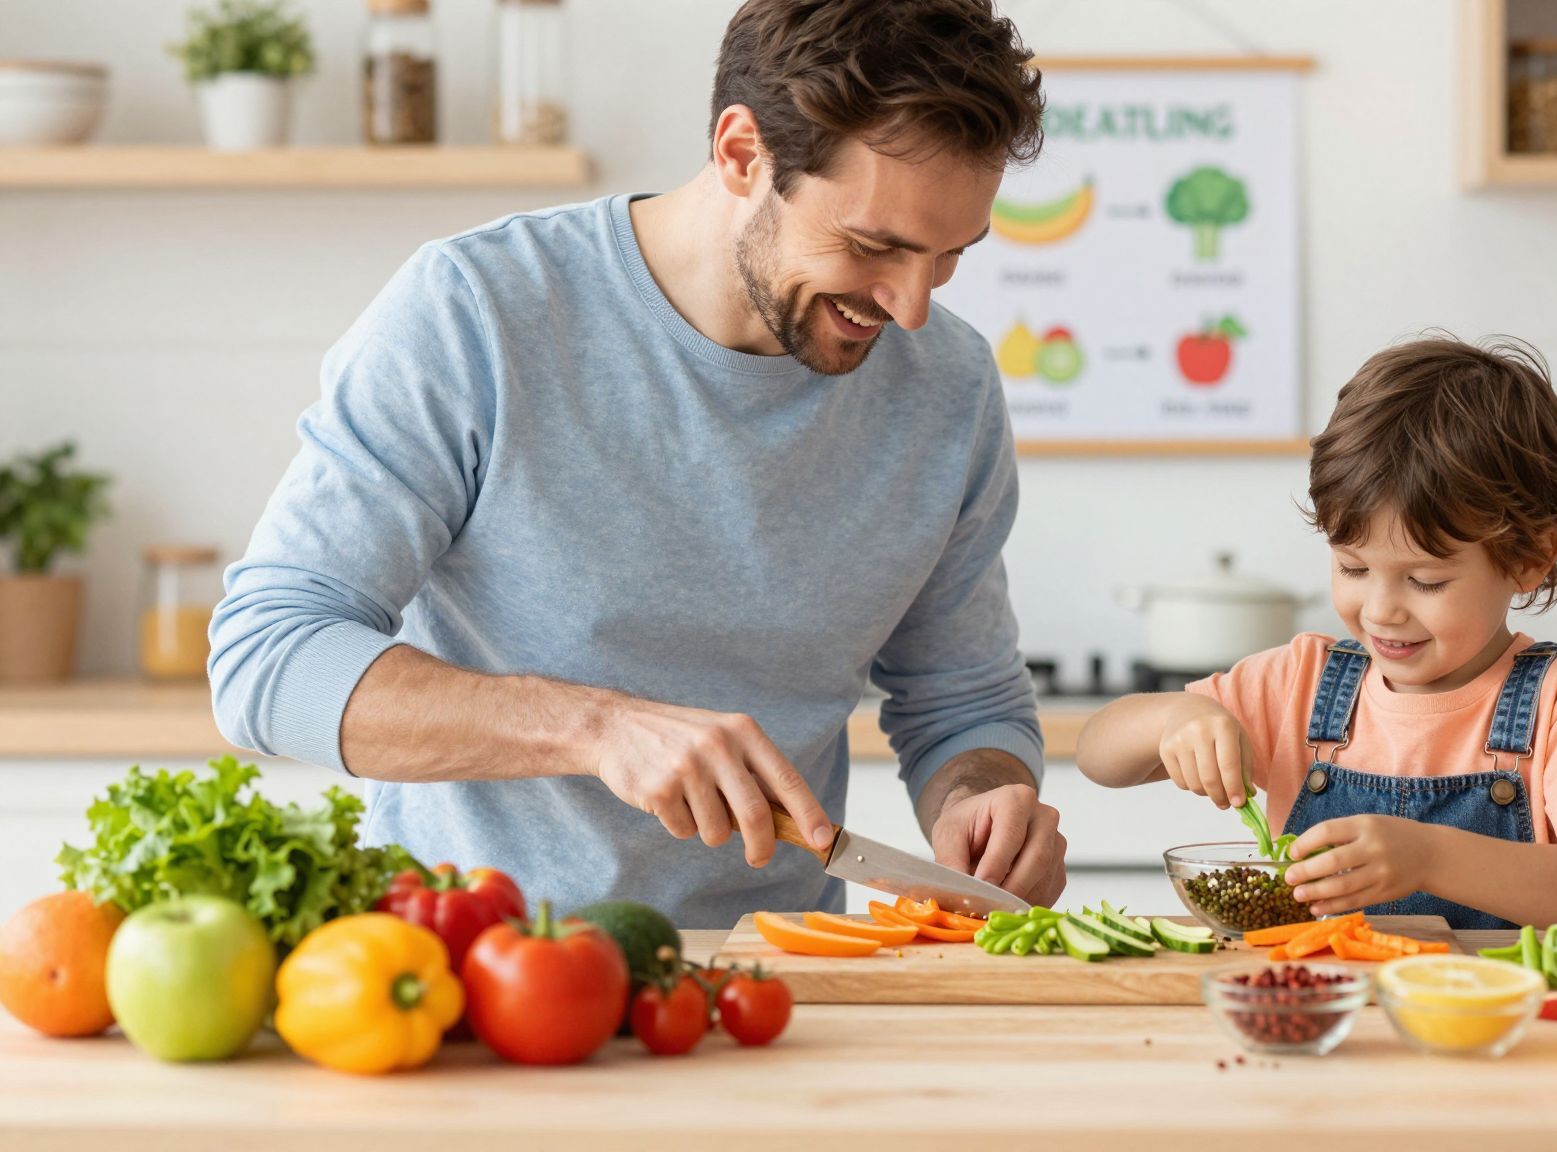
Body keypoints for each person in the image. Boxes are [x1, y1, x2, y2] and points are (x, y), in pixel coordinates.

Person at [209, 0, 1068, 930]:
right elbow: (269, 659)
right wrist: (595, 728)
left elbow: (961, 699)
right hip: (469, 961)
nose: (910, 307)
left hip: (771, 975)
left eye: (949, 257)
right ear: (742, 153)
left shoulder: (948, 385)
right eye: (873, 246)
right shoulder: (479, 312)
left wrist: (982, 795)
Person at [1076, 336, 1557, 930]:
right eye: (1353, 569)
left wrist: (1432, 857)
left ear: (1531, 558)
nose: (1382, 611)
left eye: (1426, 581)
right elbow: (1097, 754)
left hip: (1486, 992)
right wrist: (1175, 718)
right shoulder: (1301, 683)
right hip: (1317, 986)